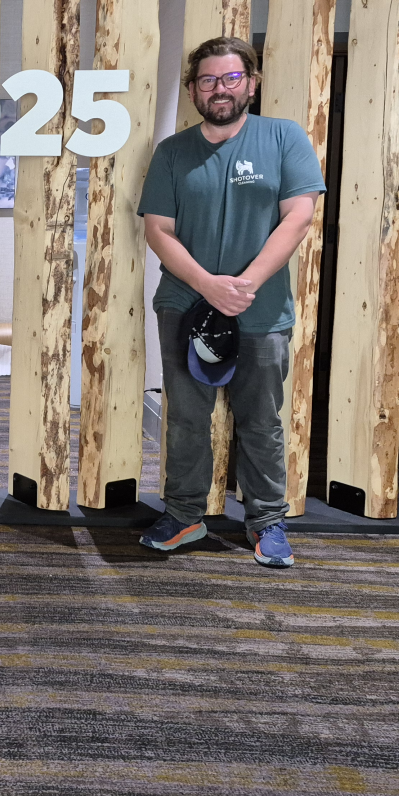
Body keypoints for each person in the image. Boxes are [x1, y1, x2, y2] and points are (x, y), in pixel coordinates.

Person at [137, 36, 325, 567]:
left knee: (260, 420)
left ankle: (267, 521)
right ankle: (184, 515)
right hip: (184, 305)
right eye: (207, 80)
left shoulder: (284, 138)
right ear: (193, 90)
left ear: (252, 84)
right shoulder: (173, 153)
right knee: (185, 418)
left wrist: (243, 285)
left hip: (259, 312)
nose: (219, 89)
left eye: (231, 78)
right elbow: (158, 229)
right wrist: (208, 285)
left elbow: (299, 217)